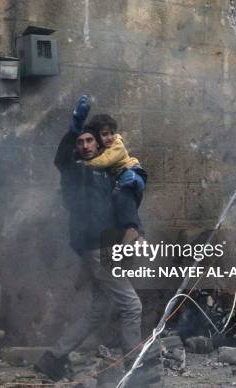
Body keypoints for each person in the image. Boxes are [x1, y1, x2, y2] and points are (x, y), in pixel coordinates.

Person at [35, 96, 150, 383]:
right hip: (96, 248)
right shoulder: (74, 170)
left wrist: (135, 223)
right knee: (132, 306)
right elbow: (61, 157)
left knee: (99, 309)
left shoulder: (107, 171)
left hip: (104, 246)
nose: (85, 146)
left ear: (99, 145)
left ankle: (53, 358)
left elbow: (122, 204)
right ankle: (134, 368)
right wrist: (74, 127)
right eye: (80, 142)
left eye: (90, 141)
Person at [83, 112, 147, 243]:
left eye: (112, 133)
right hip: (122, 176)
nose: (110, 137)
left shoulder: (117, 145)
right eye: (105, 134)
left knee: (121, 195)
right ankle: (138, 236)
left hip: (131, 172)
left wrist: (87, 163)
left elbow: (105, 160)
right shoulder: (100, 149)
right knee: (123, 201)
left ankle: (133, 231)